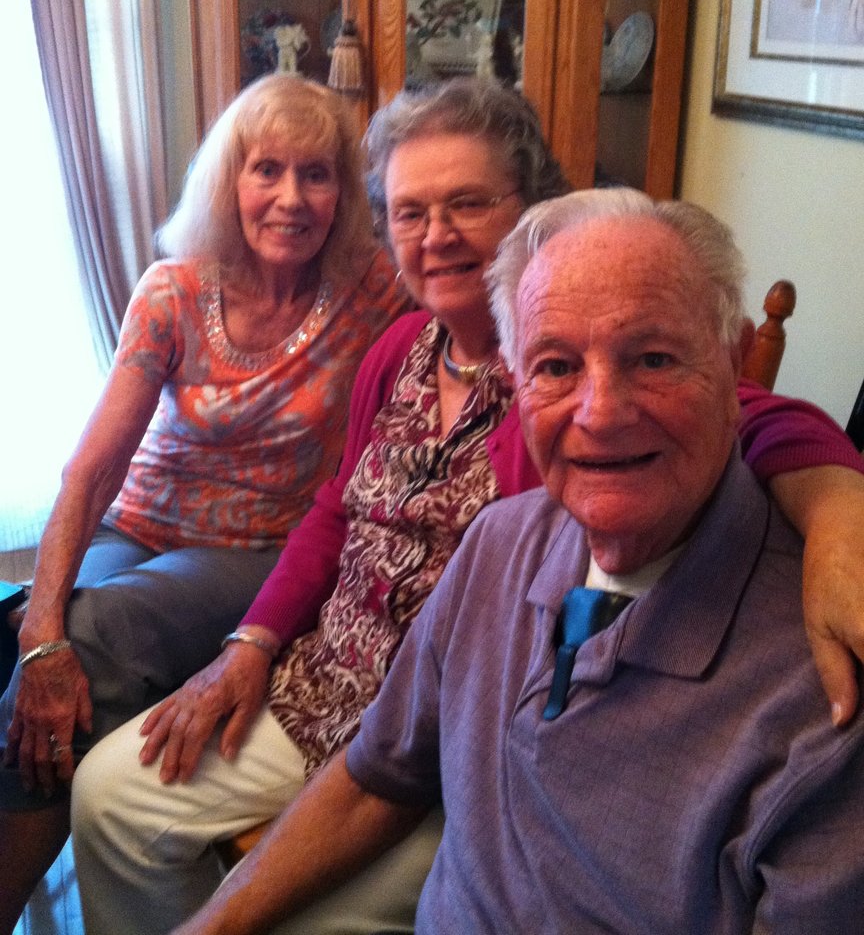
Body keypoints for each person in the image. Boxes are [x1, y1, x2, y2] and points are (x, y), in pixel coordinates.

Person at [72, 81, 864, 935]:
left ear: (530, 208)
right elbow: (340, 507)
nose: (436, 235)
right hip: (342, 686)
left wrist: (837, 500)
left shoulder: (574, 390)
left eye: (468, 203)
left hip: (462, 732)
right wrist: (251, 643)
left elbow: (744, 417)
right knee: (111, 798)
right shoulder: (402, 349)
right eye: (410, 213)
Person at [0, 74, 407, 934]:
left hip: (259, 546)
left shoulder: (374, 289)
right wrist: (38, 631)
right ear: (231, 182)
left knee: (96, 633)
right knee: (29, 635)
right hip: (141, 519)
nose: (291, 199)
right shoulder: (173, 290)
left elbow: (477, 280)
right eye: (267, 170)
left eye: (317, 175)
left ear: (344, 193)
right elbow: (93, 469)